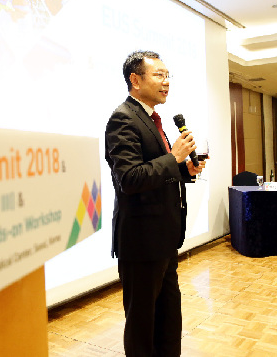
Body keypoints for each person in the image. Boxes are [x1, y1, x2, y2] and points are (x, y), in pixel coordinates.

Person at [105, 50, 205, 356]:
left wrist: (183, 170)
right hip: (141, 241)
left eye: (167, 75)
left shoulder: (150, 119)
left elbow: (155, 170)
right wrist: (174, 158)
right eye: (159, 75)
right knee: (142, 325)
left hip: (164, 238)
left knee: (168, 319)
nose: (166, 81)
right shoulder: (123, 118)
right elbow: (130, 178)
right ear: (135, 80)